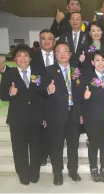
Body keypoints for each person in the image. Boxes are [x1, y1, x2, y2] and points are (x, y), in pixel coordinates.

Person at [0, 44, 46, 185]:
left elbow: (42, 96)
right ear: (14, 59)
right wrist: (9, 92)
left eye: (26, 55)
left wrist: (44, 116)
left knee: (36, 148)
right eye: (19, 55)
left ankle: (34, 173)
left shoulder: (37, 73)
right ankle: (23, 175)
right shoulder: (9, 74)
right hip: (17, 119)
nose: (23, 58)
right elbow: (2, 95)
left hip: (35, 118)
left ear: (30, 58)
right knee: (19, 149)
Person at [40, 42, 82, 185]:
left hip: (73, 114)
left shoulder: (76, 70)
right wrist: (47, 90)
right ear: (54, 54)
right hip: (56, 114)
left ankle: (73, 171)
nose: (62, 54)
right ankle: (57, 173)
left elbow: (80, 93)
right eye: (59, 51)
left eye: (65, 51)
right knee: (56, 145)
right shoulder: (48, 70)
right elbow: (40, 91)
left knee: (73, 145)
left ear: (70, 54)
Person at [79, 51, 104, 183]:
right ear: (92, 63)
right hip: (92, 117)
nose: (100, 63)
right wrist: (83, 97)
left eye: (103, 60)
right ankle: (93, 170)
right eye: (97, 60)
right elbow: (79, 96)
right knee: (93, 144)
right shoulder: (87, 77)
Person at [30, 29, 56, 166]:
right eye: (43, 38)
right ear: (39, 41)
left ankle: (54, 153)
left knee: (54, 128)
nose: (46, 41)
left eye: (49, 38)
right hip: (38, 97)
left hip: (56, 98)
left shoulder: (60, 55)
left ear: (54, 41)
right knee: (40, 128)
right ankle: (42, 155)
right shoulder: (32, 57)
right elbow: (30, 76)